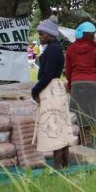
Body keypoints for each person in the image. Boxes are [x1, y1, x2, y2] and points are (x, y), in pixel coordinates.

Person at [31, 18, 72, 170]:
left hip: (51, 89)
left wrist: (34, 90)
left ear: (49, 34)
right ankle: (65, 162)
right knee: (60, 125)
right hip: (55, 88)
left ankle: (58, 166)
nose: (40, 37)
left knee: (54, 126)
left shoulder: (53, 49)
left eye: (42, 34)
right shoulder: (54, 48)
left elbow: (47, 75)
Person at [66, 22, 96, 148]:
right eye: (93, 34)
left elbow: (68, 70)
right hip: (93, 83)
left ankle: (84, 142)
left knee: (78, 113)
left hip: (76, 83)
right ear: (89, 35)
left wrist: (70, 84)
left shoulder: (71, 48)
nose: (94, 37)